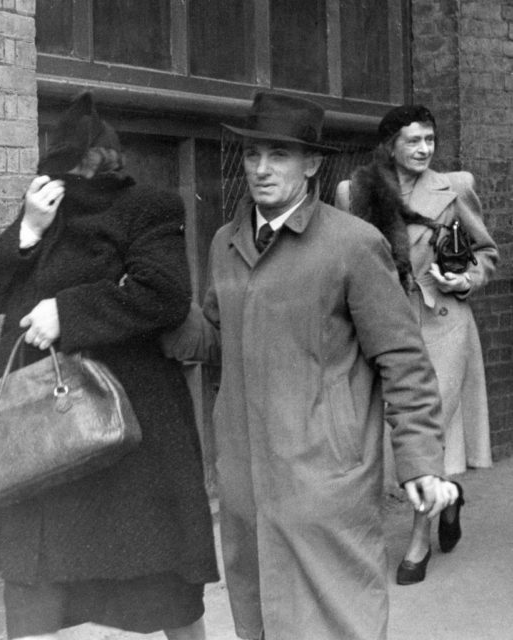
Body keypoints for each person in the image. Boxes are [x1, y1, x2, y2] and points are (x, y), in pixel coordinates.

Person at [162, 91, 458, 640]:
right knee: (257, 617)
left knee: (338, 620)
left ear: (313, 164)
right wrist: (147, 305)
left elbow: (404, 361)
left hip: (325, 479)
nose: (262, 169)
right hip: (246, 481)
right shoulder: (227, 242)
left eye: (279, 155)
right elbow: (211, 337)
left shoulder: (353, 244)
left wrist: (420, 462)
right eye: (252, 155)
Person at [0, 92, 219, 640]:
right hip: (42, 430)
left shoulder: (148, 208)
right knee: (41, 589)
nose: (69, 178)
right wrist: (27, 232)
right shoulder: (42, 213)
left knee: (160, 584)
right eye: (58, 168)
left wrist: (68, 313)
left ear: (106, 162)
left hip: (125, 425)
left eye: (78, 165)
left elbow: (164, 294)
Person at [335, 104, 498, 585]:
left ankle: (417, 539)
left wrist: (462, 279)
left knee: (431, 430)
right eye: (413, 141)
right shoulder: (354, 192)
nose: (424, 149)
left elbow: (486, 253)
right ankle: (446, 497)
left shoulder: (455, 188)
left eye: (430, 139)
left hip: (442, 323)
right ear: (390, 145)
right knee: (383, 432)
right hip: (384, 324)